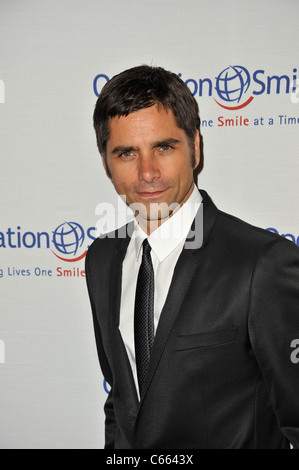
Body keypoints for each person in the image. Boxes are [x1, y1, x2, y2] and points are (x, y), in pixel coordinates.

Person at [86, 65, 299, 449]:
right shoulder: (102, 260)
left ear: (196, 148)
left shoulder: (262, 264)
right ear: (106, 163)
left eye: (164, 147)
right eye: (126, 152)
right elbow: (122, 405)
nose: (147, 172)